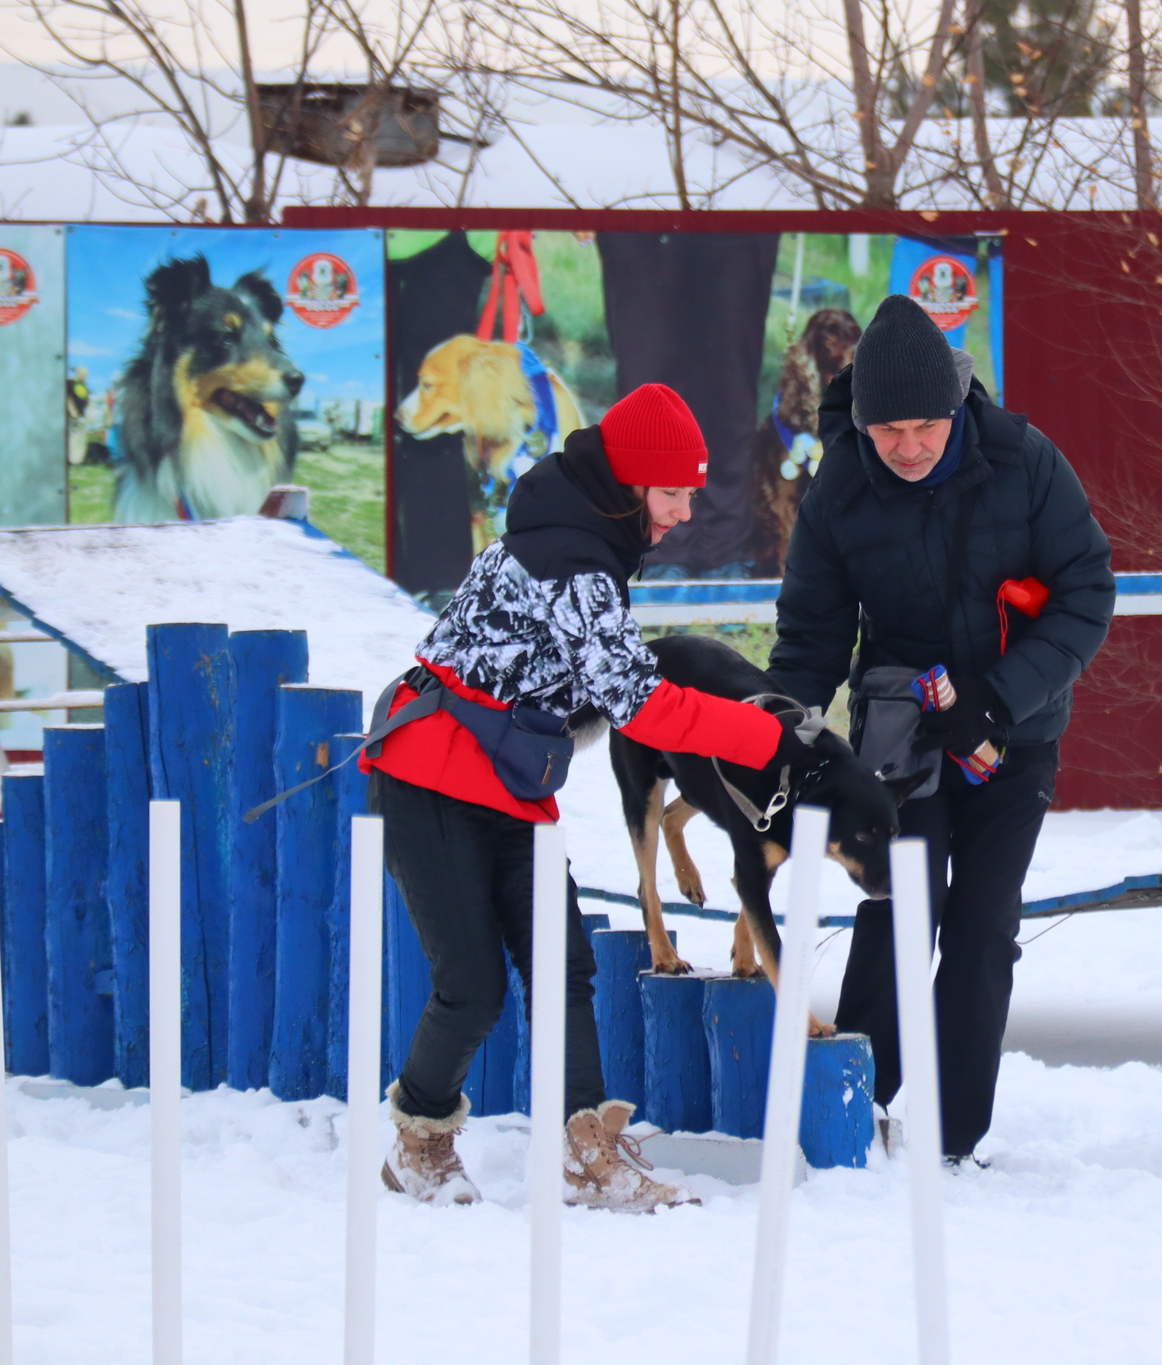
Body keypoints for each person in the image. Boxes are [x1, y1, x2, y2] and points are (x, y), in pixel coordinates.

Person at [365, 382, 806, 1209]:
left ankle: (585, 1152)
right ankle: (419, 1140)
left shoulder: (587, 545)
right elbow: (643, 702)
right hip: (430, 774)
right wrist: (765, 734)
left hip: (507, 777)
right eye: (672, 492)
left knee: (564, 970)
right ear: (633, 483)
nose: (682, 512)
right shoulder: (571, 562)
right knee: (471, 987)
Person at [767, 294, 1115, 1163]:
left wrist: (999, 700)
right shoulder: (840, 485)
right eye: (891, 430)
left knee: (984, 927)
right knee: (895, 909)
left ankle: (953, 1137)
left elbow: (1086, 594)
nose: (910, 446)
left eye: (926, 425)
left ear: (956, 406)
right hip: (901, 735)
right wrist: (781, 734)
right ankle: (855, 1106)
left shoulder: (1025, 461)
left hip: (1015, 728)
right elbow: (811, 633)